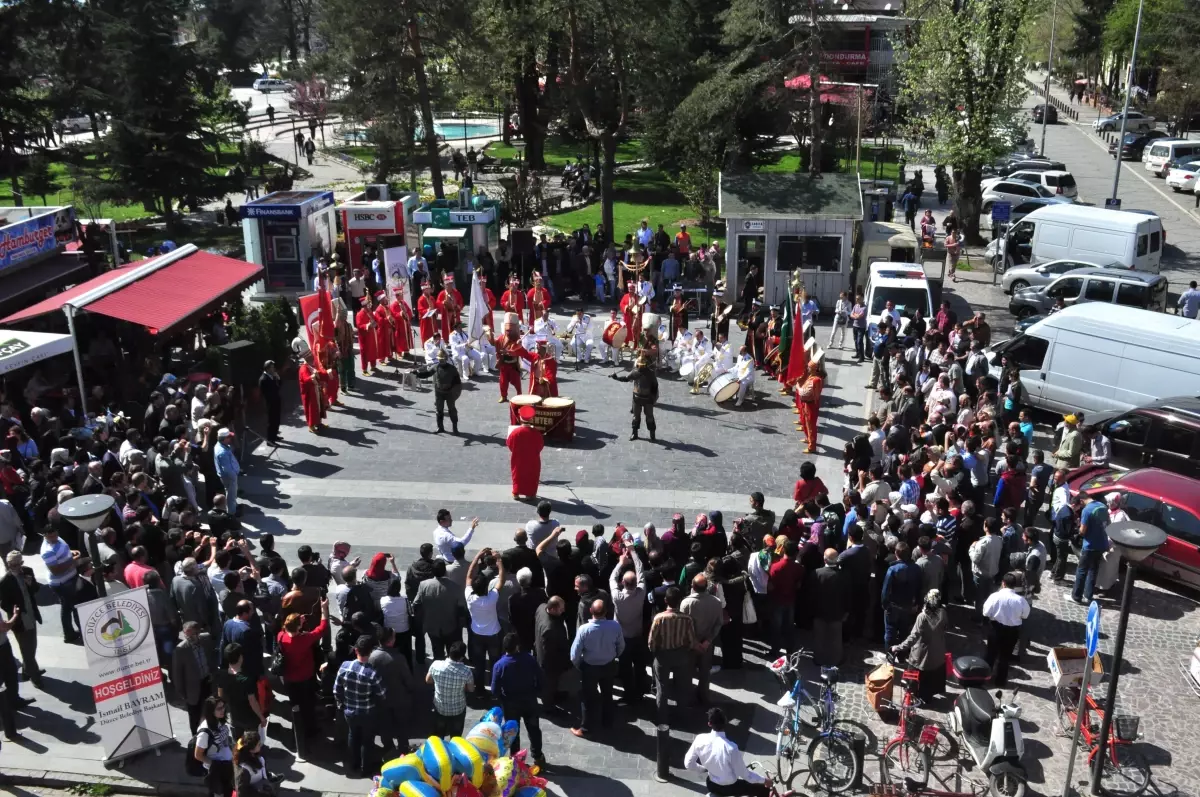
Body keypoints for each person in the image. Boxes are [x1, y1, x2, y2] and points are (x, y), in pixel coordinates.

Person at [684, 707, 773, 797]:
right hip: (730, 788)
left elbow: (688, 763)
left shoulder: (700, 739)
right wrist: (765, 780)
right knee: (763, 789)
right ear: (725, 722)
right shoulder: (731, 748)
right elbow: (746, 775)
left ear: (709, 724)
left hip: (711, 785)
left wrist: (703, 768)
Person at [569, 598, 623, 737]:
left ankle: (586, 727)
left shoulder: (584, 629)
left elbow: (574, 653)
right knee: (607, 694)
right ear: (606, 612)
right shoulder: (615, 626)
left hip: (590, 667)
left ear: (590, 611)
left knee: (588, 697)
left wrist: (579, 665)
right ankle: (607, 722)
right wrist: (614, 655)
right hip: (608, 665)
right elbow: (621, 646)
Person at [277, 602, 328, 747]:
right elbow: (322, 628)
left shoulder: (281, 636)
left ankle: (298, 731)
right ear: (298, 627)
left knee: (296, 706)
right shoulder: (304, 639)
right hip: (305, 678)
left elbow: (287, 630)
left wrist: (298, 623)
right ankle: (310, 730)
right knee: (308, 705)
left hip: (289, 679)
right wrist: (324, 609)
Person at [334, 634, 386, 775]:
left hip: (350, 711)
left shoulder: (345, 666)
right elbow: (382, 694)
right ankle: (366, 768)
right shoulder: (372, 673)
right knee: (367, 741)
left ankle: (353, 764)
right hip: (368, 713)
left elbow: (336, 690)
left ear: (356, 650)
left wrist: (343, 703)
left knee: (353, 736)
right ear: (371, 652)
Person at [491, 632, 545, 767]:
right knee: (534, 730)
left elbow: (494, 689)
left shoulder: (499, 665)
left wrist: (503, 698)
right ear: (517, 646)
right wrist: (535, 691)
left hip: (510, 704)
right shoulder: (529, 659)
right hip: (530, 702)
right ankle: (538, 757)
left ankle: (516, 761)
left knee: (513, 732)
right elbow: (540, 678)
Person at [892, 589, 948, 701]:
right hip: (937, 655)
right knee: (929, 685)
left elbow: (913, 638)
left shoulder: (922, 617)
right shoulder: (943, 613)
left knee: (914, 681)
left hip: (921, 657)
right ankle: (927, 698)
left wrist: (898, 647)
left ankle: (913, 697)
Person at [681, 573, 724, 703]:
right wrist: (708, 641)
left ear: (692, 586)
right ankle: (704, 697)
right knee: (705, 672)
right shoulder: (716, 602)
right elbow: (719, 623)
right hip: (707, 644)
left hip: (690, 644)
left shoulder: (686, 602)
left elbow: (684, 626)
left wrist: (694, 642)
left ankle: (687, 697)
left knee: (687, 672)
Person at [413, 559, 468, 660]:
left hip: (432, 627)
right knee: (452, 654)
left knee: (437, 652)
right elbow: (461, 608)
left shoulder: (424, 585)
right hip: (450, 626)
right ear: (445, 571)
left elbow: (416, 604)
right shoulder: (455, 587)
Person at [982, 573, 1029, 687]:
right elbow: (1025, 615)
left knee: (991, 654)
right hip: (1012, 632)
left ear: (1003, 583)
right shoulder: (1021, 600)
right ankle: (1000, 681)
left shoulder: (994, 596)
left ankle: (985, 678)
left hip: (995, 628)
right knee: (1005, 657)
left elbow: (986, 612)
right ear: (1014, 586)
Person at [40, 525, 81, 643]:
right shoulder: (47, 551)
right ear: (45, 536)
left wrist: (71, 553)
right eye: (50, 536)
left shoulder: (58, 539)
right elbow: (55, 570)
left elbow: (62, 550)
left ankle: (71, 633)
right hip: (62, 583)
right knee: (69, 607)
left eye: (55, 535)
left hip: (69, 579)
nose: (54, 538)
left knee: (69, 607)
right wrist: (72, 560)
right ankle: (69, 635)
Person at [426, 640, 474, 737]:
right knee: (456, 737)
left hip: (440, 707)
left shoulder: (436, 665)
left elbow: (428, 680)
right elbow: (471, 689)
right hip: (458, 710)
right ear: (462, 657)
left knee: (439, 735)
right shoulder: (466, 671)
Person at [811, 549, 850, 667]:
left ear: (824, 559)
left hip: (819, 612)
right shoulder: (844, 575)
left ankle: (818, 659)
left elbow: (810, 595)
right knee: (836, 639)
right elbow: (848, 596)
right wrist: (847, 612)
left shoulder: (816, 573)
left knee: (819, 637)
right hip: (837, 613)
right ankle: (836, 660)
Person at [174, 622, 214, 734]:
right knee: (195, 716)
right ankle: (196, 738)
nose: (189, 638)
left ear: (199, 632)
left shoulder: (206, 639)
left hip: (208, 681)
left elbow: (212, 656)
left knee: (210, 710)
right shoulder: (181, 649)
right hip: (192, 688)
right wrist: (183, 693)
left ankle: (211, 733)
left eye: (192, 635)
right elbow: (178, 674)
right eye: (187, 636)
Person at [1073, 492, 1111, 605]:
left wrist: (1079, 526)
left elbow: (1082, 531)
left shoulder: (1087, 510)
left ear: (1081, 501)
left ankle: (1077, 596)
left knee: (1082, 570)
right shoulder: (1103, 506)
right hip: (1101, 544)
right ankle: (1089, 596)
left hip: (1089, 545)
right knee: (1093, 571)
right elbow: (1108, 524)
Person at [194, 696, 235, 797]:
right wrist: (215, 765)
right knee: (219, 793)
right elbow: (198, 755)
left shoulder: (220, 720)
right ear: (211, 711)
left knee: (228, 791)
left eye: (223, 707)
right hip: (216, 771)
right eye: (219, 708)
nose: (223, 710)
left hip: (226, 765)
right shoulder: (205, 732)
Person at [507, 405, 544, 499]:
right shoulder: (536, 433)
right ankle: (530, 494)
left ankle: (516, 493)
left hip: (518, 458)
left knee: (517, 474)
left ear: (520, 417)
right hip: (532, 459)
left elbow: (509, 444)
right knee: (532, 475)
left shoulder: (515, 432)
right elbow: (540, 446)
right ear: (532, 418)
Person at [233, 731, 275, 797]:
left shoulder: (258, 755)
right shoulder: (244, 771)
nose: (260, 744)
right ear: (251, 750)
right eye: (258, 744)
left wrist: (268, 775)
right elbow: (242, 793)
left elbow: (261, 770)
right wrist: (260, 794)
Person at [795, 360, 824, 453]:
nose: (807, 369)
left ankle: (812, 446)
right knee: (805, 422)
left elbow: (805, 392)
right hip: (806, 403)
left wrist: (799, 388)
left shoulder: (816, 380)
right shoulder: (811, 377)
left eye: (809, 367)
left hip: (811, 405)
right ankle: (808, 438)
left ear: (814, 368)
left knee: (811, 426)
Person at [432, 348, 462, 435]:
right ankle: (440, 427)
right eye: (439, 359)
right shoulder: (435, 367)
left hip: (449, 393)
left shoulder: (452, 369)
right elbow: (427, 373)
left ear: (446, 359)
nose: (441, 361)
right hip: (439, 393)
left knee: (452, 410)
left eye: (442, 359)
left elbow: (458, 383)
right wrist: (417, 373)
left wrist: (455, 394)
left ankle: (455, 429)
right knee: (439, 411)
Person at [213, 429, 241, 516]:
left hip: (227, 476)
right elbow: (227, 469)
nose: (231, 439)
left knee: (231, 493)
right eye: (229, 437)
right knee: (231, 495)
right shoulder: (222, 452)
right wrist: (234, 476)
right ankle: (232, 513)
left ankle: (233, 507)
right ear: (224, 439)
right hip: (229, 477)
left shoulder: (220, 446)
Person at [258, 360, 282, 444]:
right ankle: (270, 440)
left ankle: (274, 435)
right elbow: (266, 393)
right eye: (272, 367)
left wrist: (278, 378)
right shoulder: (263, 379)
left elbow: (278, 387)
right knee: (271, 421)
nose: (274, 369)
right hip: (270, 404)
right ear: (268, 368)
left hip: (276, 401)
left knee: (277, 420)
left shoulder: (273, 376)